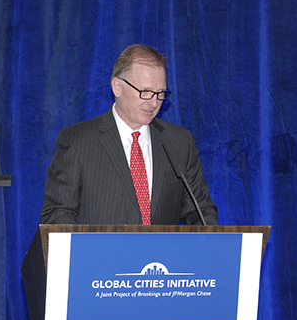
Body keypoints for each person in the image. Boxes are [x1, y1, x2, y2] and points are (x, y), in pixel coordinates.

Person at [40, 44, 217, 226]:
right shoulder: (77, 142)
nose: (154, 103)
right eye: (145, 92)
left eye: (160, 93)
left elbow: (200, 212)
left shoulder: (179, 142)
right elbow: (58, 214)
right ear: (117, 87)